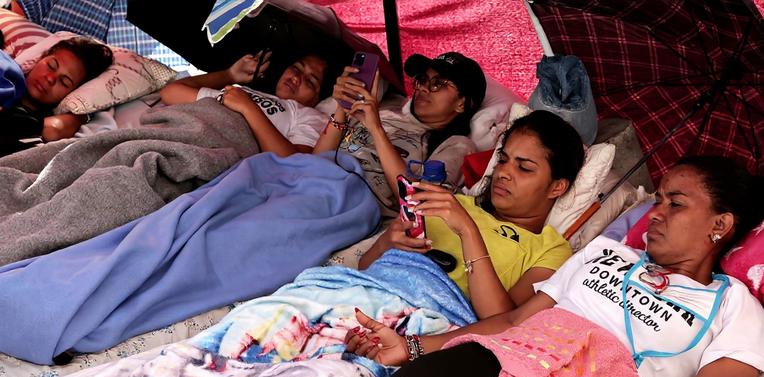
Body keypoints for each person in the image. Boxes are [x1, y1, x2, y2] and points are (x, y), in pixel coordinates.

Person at [338, 155, 764, 377]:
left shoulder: (734, 306)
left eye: (676, 203)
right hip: (491, 363)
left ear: (720, 224)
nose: (654, 213)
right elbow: (514, 321)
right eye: (656, 200)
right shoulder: (605, 252)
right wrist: (412, 348)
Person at [358, 110, 584, 310]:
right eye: (503, 160)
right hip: (370, 293)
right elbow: (364, 267)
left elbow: (502, 322)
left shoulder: (550, 250)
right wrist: (386, 242)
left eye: (524, 168)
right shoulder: (453, 204)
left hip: (426, 320)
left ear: (557, 186)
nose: (503, 173)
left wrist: (468, 230)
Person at [314, 52, 486, 216]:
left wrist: (376, 129)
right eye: (422, 80)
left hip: (350, 202)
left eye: (437, 84)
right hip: (314, 181)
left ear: (462, 104)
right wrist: (342, 108)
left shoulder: (458, 144)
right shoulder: (382, 111)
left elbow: (417, 200)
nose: (424, 88)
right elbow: (316, 160)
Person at [161, 51, 336, 157]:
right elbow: (171, 92)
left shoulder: (309, 115)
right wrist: (230, 75)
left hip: (209, 152)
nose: (296, 78)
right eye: (296, 68)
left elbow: (294, 163)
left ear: (319, 97)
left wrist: (249, 108)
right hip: (179, 133)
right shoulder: (242, 90)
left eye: (310, 81)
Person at [0, 36, 113, 164]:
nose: (50, 78)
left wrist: (81, 116)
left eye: (64, 82)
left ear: (73, 92)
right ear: (41, 58)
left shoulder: (35, 124)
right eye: (51, 65)